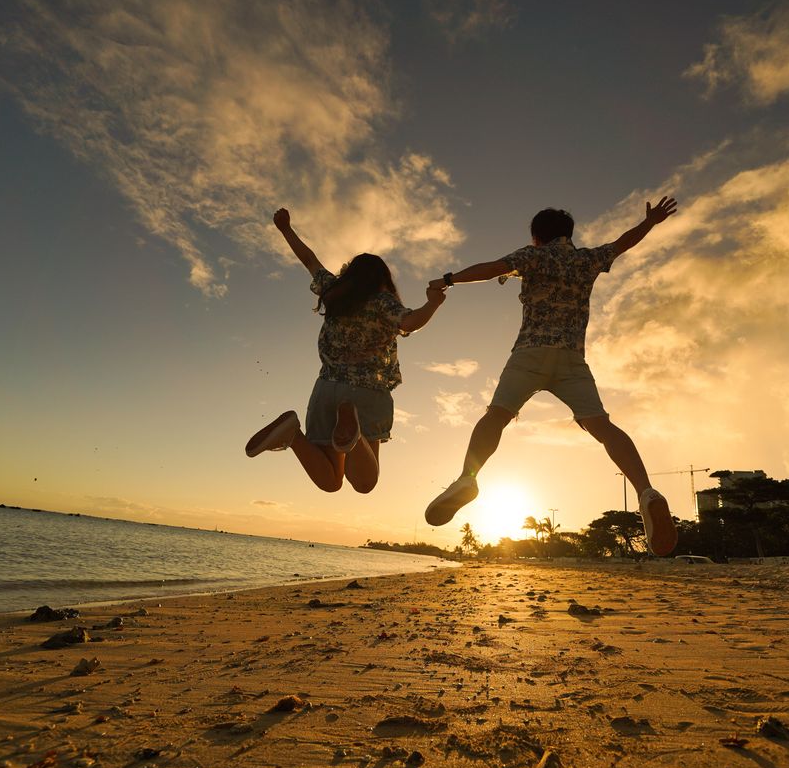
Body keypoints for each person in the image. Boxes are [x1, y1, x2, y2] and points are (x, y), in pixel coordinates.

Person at [423, 198, 680, 555]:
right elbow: (623, 243)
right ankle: (646, 492)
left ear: (537, 237)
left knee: (496, 417)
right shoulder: (587, 259)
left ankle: (468, 478)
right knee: (603, 427)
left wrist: (449, 279)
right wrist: (649, 222)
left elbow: (490, 269)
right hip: (571, 360)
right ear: (568, 235)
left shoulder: (533, 256)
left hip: (529, 353)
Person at [246, 208, 446, 493]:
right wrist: (433, 303)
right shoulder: (382, 301)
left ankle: (292, 434)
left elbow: (309, 260)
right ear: (383, 279)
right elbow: (410, 323)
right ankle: (354, 434)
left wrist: (285, 229)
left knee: (331, 482)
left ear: (350, 275)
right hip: (367, 391)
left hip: (326, 389)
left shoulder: (334, 292)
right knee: (365, 483)